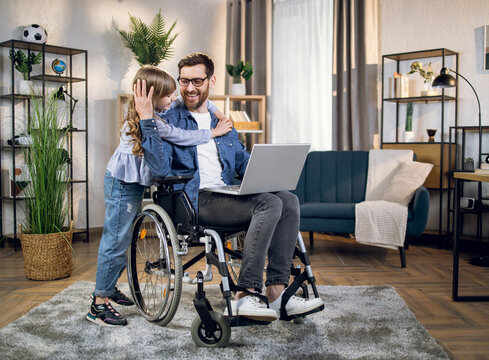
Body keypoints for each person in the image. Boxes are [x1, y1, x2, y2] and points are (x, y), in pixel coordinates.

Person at [140, 53, 323, 322]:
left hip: (226, 195)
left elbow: (241, 162)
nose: (190, 88)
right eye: (184, 81)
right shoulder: (169, 117)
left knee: (288, 200)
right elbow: (157, 168)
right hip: (194, 201)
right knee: (270, 203)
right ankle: (245, 292)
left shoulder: (221, 122)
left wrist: (268, 171)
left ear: (211, 80)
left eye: (197, 81)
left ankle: (277, 289)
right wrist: (146, 119)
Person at [86, 65, 232, 327]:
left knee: (123, 238)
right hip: (122, 184)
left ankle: (107, 287)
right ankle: (98, 303)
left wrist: (219, 115)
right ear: (152, 97)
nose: (172, 99)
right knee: (116, 239)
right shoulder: (150, 123)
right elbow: (182, 136)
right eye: (167, 96)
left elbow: (204, 103)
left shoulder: (158, 112)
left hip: (132, 184)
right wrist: (213, 133)